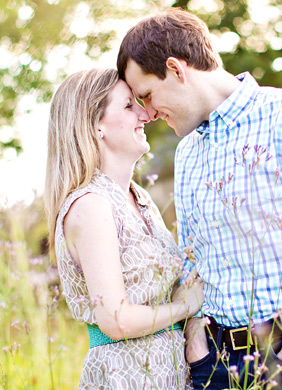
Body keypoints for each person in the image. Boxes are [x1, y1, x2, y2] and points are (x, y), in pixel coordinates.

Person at [116, 9, 282, 390]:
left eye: (148, 95)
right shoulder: (188, 153)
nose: (148, 113)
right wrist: (196, 344)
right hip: (215, 366)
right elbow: (193, 259)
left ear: (176, 68)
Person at [45, 68, 203, 389]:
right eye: (129, 106)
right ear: (95, 125)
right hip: (126, 374)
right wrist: (186, 306)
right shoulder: (91, 206)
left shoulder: (138, 196)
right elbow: (116, 320)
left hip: (169, 370)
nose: (145, 114)